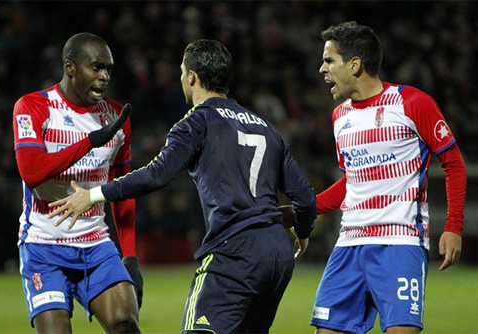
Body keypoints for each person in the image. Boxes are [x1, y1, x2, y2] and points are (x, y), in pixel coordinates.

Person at [48, 39, 317, 333]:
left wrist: (95, 194)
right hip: (277, 254)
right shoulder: (265, 127)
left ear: (191, 77)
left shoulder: (196, 121)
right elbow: (304, 197)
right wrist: (302, 232)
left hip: (234, 251)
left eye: (181, 72)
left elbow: (156, 174)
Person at [310, 21, 467, 334]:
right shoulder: (340, 117)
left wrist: (453, 227)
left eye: (329, 61)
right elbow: (353, 183)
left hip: (399, 242)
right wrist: (306, 207)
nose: (321, 69)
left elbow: (454, 164)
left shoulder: (412, 103)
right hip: (348, 244)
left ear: (355, 64)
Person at [13, 32, 142, 333]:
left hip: (96, 244)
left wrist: (131, 255)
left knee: (126, 324)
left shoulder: (116, 117)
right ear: (70, 67)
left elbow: (122, 190)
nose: (104, 76)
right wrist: (91, 141)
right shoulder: (33, 107)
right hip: (44, 247)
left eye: (108, 69)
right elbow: (31, 172)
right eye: (96, 68)